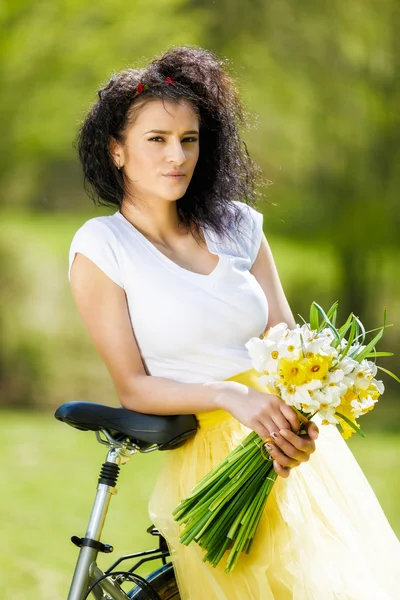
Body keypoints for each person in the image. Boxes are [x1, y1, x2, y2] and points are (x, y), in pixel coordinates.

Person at [68, 46, 400, 599]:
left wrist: (307, 412)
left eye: (189, 139)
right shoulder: (102, 247)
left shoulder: (239, 225)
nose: (177, 156)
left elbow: (289, 342)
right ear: (117, 151)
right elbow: (134, 387)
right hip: (209, 454)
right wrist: (229, 396)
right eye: (157, 139)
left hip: (288, 450)